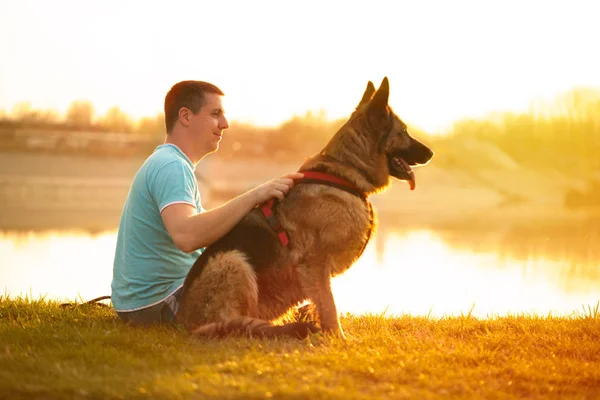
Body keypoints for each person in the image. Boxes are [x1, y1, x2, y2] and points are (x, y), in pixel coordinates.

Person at [111, 80, 302, 325]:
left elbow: (204, 230)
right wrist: (254, 195)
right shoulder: (172, 165)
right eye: (215, 114)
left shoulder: (170, 162)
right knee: (293, 281)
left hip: (145, 304)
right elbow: (187, 236)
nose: (225, 123)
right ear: (185, 116)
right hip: (157, 305)